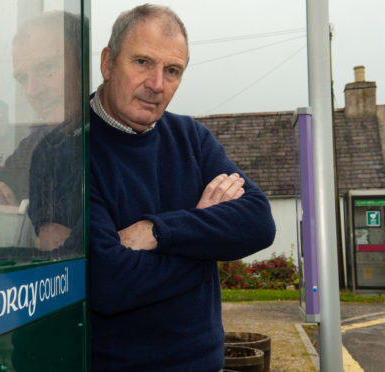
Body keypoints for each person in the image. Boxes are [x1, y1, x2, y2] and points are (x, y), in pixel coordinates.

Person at [89, 4, 276, 371]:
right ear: (108, 62)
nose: (157, 85)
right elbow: (109, 285)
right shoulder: (72, 148)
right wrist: (205, 244)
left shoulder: (191, 138)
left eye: (172, 70)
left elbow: (258, 221)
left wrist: (160, 230)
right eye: (142, 62)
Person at [0, 11, 82, 214]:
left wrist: (22, 222)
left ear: (83, 65)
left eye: (47, 67)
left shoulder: (120, 140)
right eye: (23, 78)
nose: (33, 91)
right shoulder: (35, 145)